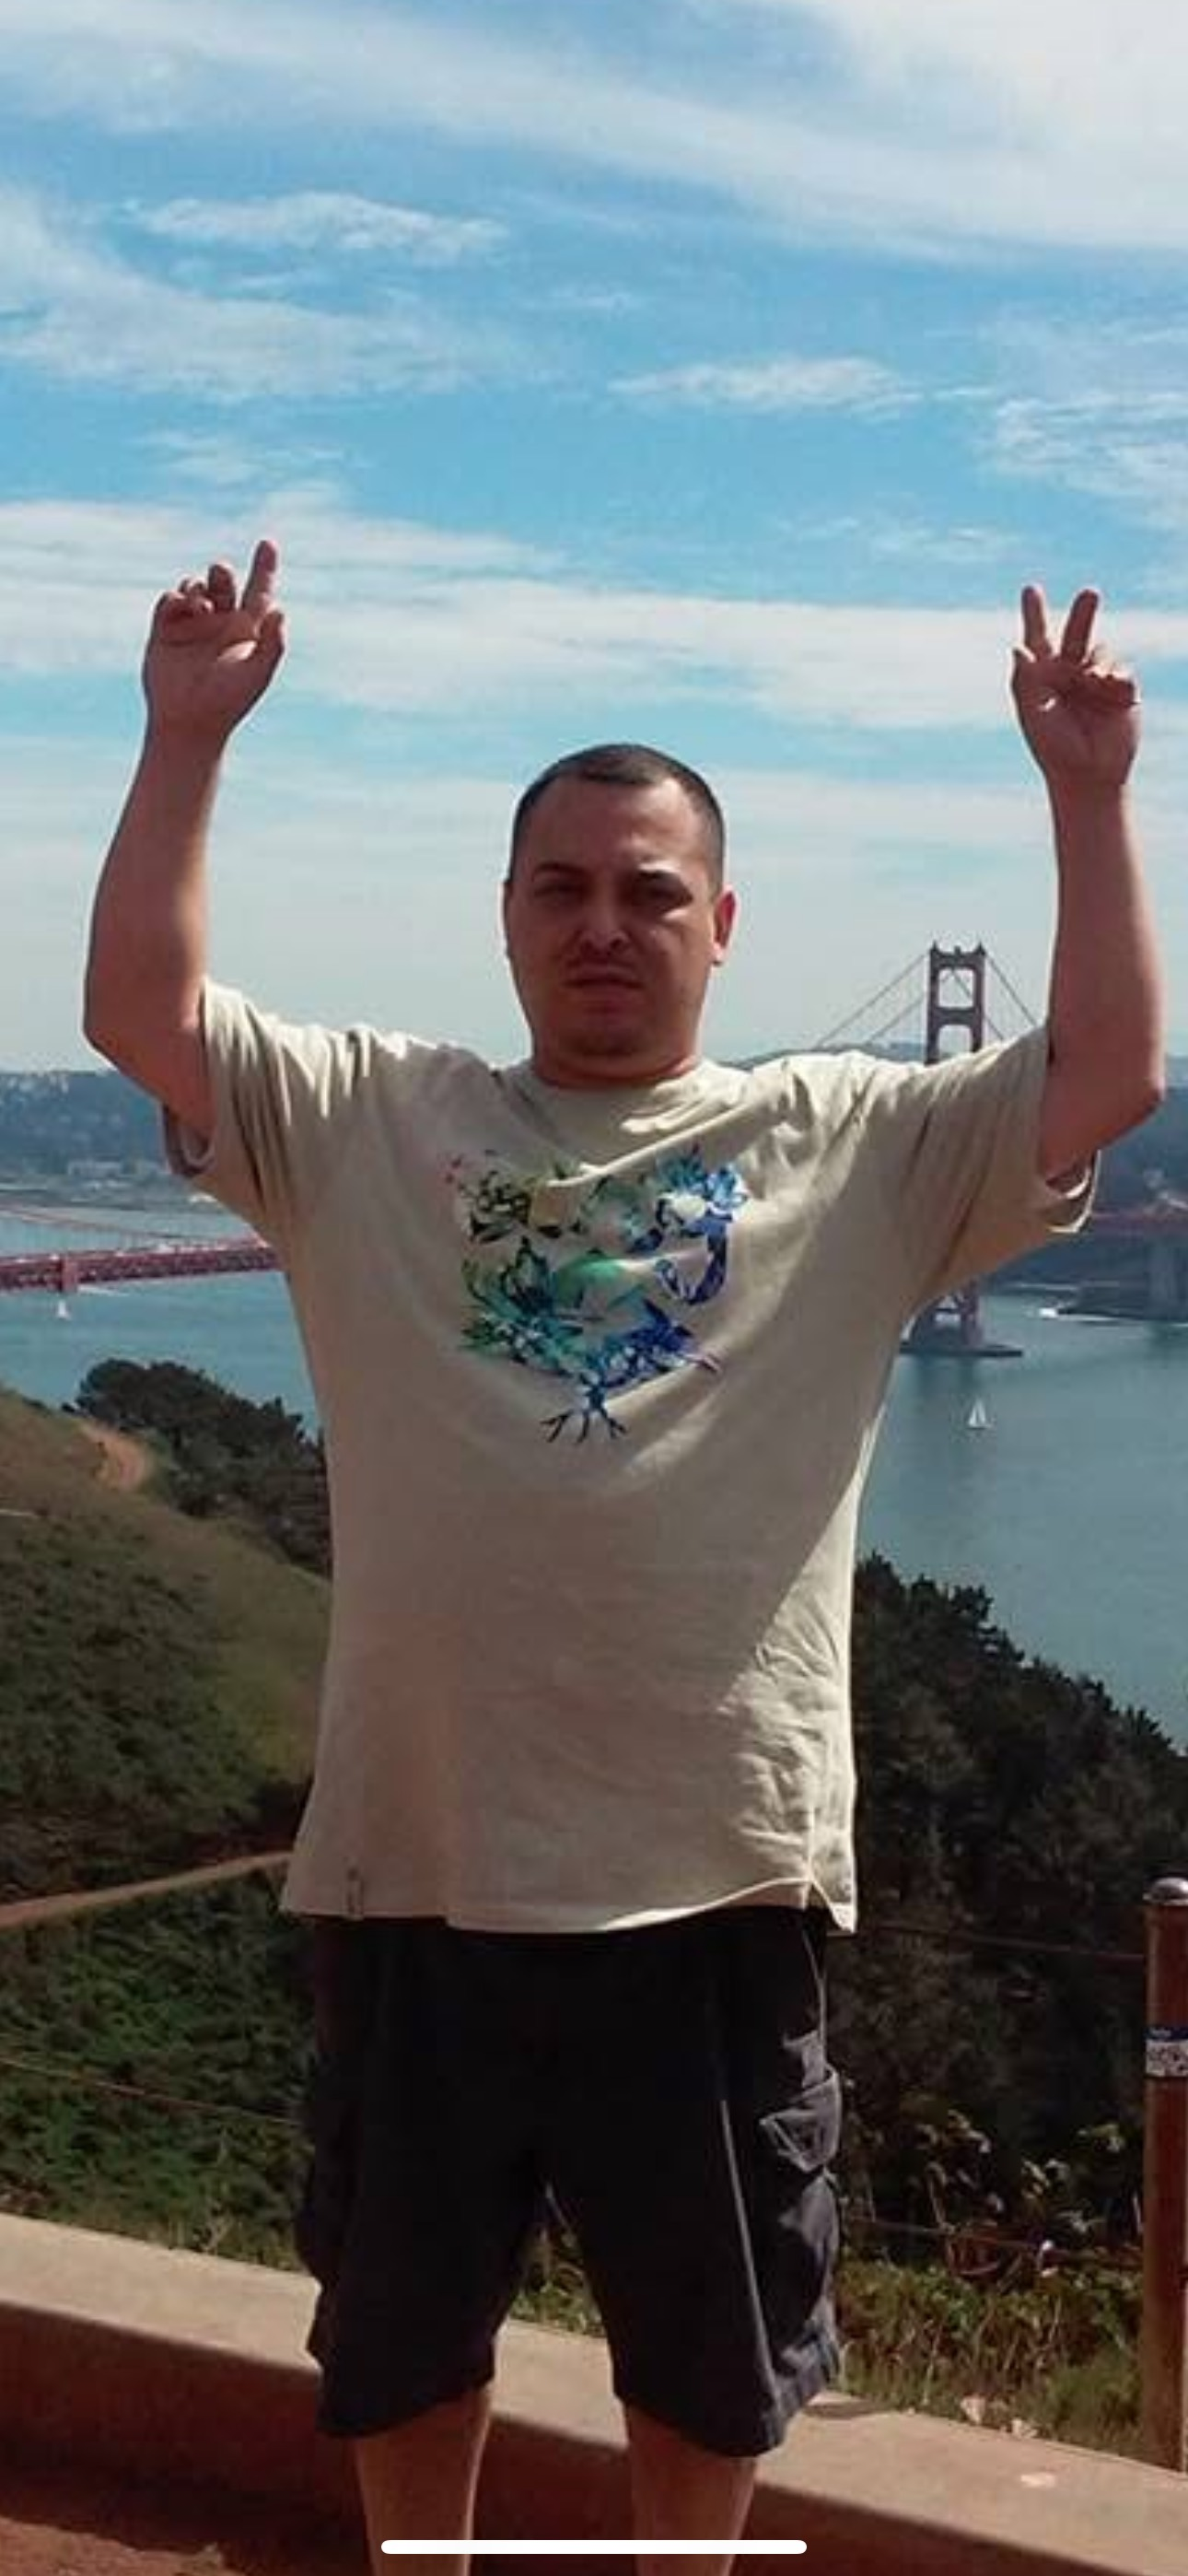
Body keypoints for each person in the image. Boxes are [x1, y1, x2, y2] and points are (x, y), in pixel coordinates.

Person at [84, 541, 1163, 2576]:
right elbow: (138, 1008)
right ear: (503, 914)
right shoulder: (367, 1117)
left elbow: (1100, 1077)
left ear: (723, 925)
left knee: (709, 2368)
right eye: (561, 889)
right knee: (402, 2351)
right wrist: (182, 740)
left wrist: (1089, 801)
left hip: (713, 1877)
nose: (604, 926)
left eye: (651, 892)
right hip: (421, 1863)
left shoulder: (850, 1140)